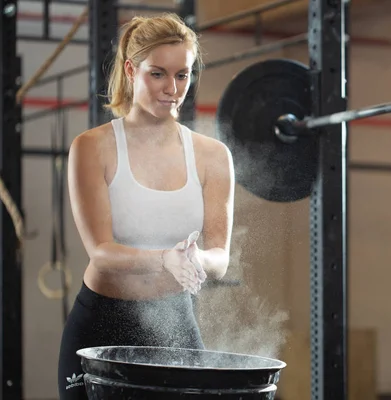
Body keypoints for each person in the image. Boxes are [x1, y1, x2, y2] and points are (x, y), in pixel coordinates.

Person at [57, 13, 234, 399]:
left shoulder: (213, 156)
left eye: (183, 75)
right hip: (101, 323)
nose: (172, 88)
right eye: (158, 74)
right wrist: (163, 259)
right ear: (131, 69)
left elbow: (220, 257)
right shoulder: (93, 147)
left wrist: (192, 260)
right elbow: (101, 253)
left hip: (174, 321)